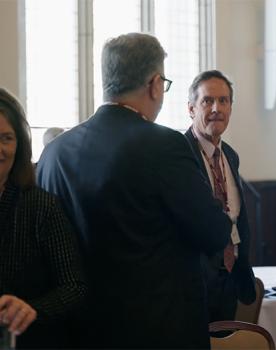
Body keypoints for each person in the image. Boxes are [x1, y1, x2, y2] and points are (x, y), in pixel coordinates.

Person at [36, 33, 231, 349]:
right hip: (156, 331)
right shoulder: (164, 146)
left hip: (77, 332)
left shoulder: (54, 154)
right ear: (155, 84)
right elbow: (212, 232)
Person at [0, 88, 86, 348]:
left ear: (19, 146)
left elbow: (74, 286)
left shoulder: (40, 206)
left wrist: (32, 309)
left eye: (6, 138)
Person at [185, 70, 256, 322]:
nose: (217, 108)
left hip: (230, 277)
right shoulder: (179, 155)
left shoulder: (231, 156)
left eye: (224, 101)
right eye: (208, 101)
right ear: (191, 109)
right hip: (195, 282)